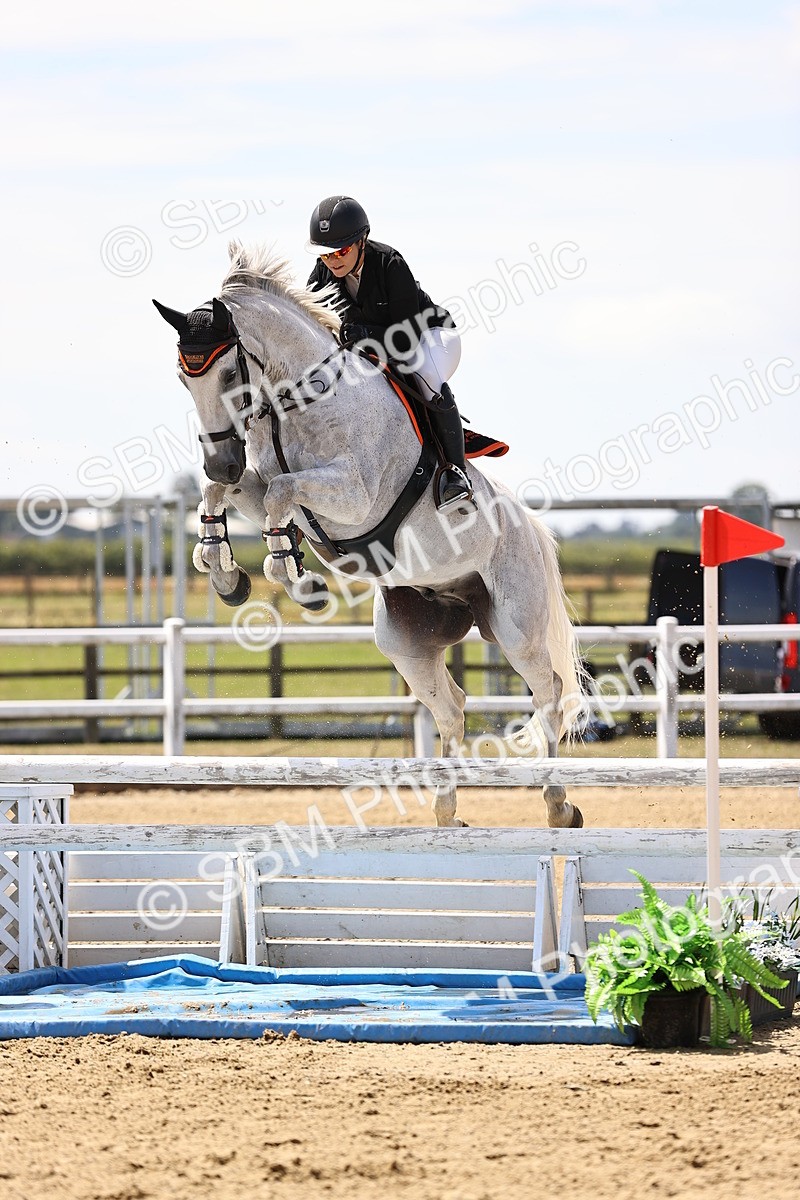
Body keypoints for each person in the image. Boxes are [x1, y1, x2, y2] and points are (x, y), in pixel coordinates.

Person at [306, 195, 474, 510]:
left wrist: (365, 334)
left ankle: (456, 475)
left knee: (425, 377)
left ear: (362, 242)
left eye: (341, 251)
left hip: (431, 337)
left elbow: (407, 339)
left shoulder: (390, 264)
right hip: (376, 350)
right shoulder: (323, 273)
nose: (333, 261)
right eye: (325, 254)